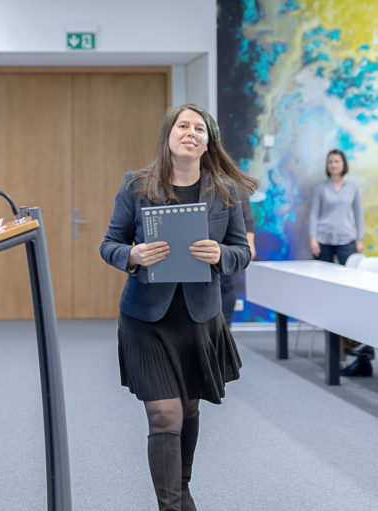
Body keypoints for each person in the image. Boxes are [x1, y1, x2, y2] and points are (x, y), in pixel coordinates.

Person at [100, 104, 258, 511]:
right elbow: (109, 244)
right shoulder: (137, 186)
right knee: (164, 414)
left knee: (188, 408)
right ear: (168, 135)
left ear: (208, 142)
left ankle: (182, 490)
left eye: (199, 128)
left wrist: (220, 254)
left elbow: (243, 252)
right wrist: (133, 255)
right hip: (146, 320)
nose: (191, 133)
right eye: (183, 126)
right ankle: (171, 506)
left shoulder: (227, 191)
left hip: (198, 319)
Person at [309, 149, 369, 376]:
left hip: (346, 240)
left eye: (337, 161)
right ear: (328, 165)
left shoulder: (352, 187)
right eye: (330, 162)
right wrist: (312, 238)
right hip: (323, 241)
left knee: (350, 289)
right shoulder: (320, 188)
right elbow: (314, 215)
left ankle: (353, 341)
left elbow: (358, 214)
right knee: (325, 291)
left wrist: (360, 239)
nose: (333, 165)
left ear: (343, 164)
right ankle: (335, 348)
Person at [220, 193, 256, 328]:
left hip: (224, 257)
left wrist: (249, 244)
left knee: (225, 286)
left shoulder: (232, 187)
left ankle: (224, 331)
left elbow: (247, 219)